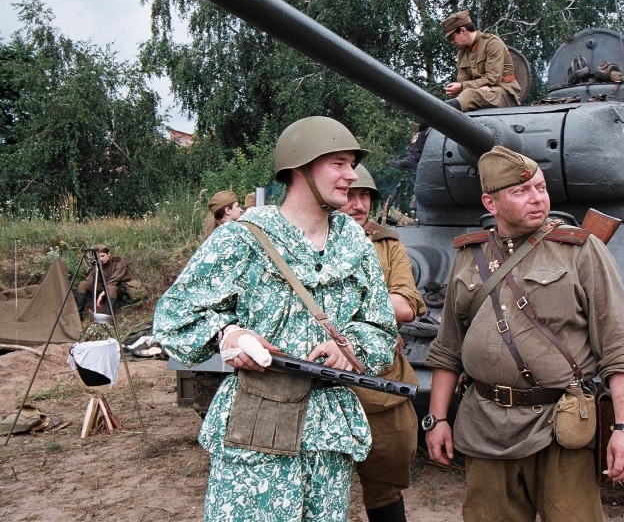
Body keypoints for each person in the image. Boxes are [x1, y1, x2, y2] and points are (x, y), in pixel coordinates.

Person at [153, 116, 398, 522]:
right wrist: (229, 335)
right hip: (256, 425)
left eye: (351, 164)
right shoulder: (243, 236)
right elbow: (174, 315)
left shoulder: (354, 241)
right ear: (301, 167)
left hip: (328, 430)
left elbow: (381, 329)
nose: (351, 175)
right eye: (338, 163)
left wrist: (348, 347)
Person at [424, 146, 624, 521]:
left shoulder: (580, 250)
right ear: (490, 202)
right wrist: (437, 419)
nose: (537, 199)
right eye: (521, 191)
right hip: (485, 425)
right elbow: (448, 348)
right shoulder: (469, 257)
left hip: (560, 425)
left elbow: (620, 345)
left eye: (541, 188)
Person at [340, 164, 426, 522]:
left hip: (379, 383)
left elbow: (406, 306)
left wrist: (343, 302)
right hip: (320, 383)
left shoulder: (385, 243)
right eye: (350, 194)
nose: (359, 204)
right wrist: (377, 304)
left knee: (386, 490)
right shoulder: (301, 241)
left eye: (365, 196)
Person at [388, 10, 521, 172]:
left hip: (505, 95)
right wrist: (472, 86)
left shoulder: (493, 44)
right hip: (480, 96)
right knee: (451, 111)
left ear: (463, 31)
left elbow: (492, 78)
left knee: (467, 95)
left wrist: (468, 87)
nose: (452, 41)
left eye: (453, 37)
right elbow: (464, 80)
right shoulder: (462, 53)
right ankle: (415, 156)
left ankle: (433, 114)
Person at [75, 244, 131, 317]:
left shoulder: (118, 262)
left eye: (103, 256)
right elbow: (91, 279)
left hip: (117, 288)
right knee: (83, 284)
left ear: (109, 254)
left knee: (111, 288)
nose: (101, 259)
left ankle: (107, 316)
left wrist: (101, 295)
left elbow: (115, 280)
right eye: (98, 257)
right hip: (103, 287)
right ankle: (78, 314)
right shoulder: (98, 263)